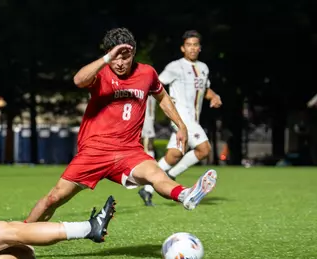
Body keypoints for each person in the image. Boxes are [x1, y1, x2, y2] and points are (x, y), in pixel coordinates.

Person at [24, 28, 218, 224]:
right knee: (53, 199)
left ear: (133, 52)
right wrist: (107, 58)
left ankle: (186, 195)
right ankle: (18, 237)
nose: (119, 63)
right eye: (115, 57)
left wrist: (181, 125)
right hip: (95, 150)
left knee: (156, 174)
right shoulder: (100, 72)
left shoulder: (147, 73)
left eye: (125, 57)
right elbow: (78, 80)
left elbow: (162, 97)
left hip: (129, 151)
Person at [138, 30, 222, 205]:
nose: (192, 48)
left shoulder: (203, 68)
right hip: (181, 118)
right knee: (204, 149)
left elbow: (204, 89)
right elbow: (156, 84)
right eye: (189, 45)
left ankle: (146, 189)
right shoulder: (175, 66)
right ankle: (172, 175)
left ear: (200, 48)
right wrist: (167, 100)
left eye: (195, 45)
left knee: (174, 155)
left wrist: (213, 96)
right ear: (183, 48)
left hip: (193, 118)